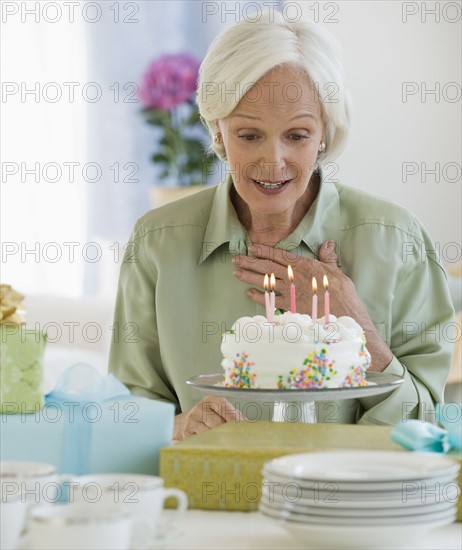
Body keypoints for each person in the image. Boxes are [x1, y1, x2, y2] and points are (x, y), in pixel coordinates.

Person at [109, 11, 454, 440]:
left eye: (297, 135)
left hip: (348, 502)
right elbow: (125, 421)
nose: (273, 162)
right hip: (206, 499)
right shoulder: (157, 243)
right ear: (218, 129)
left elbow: (430, 430)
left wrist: (356, 327)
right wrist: (178, 427)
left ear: (325, 131)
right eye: (249, 135)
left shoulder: (396, 240)